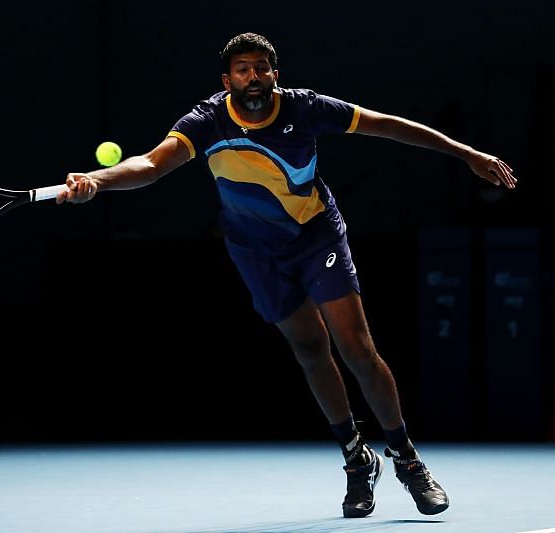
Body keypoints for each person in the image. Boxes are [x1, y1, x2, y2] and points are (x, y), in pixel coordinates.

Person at [56, 32, 517, 518]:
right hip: (255, 251)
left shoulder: (306, 108)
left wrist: (467, 154)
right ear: (226, 80)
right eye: (241, 70)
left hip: (316, 237)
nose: (252, 77)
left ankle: (407, 459)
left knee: (357, 349)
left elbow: (388, 126)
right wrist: (96, 182)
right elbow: (151, 164)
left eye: (261, 68)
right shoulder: (206, 121)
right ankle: (356, 459)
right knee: (310, 350)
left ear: (276, 74)